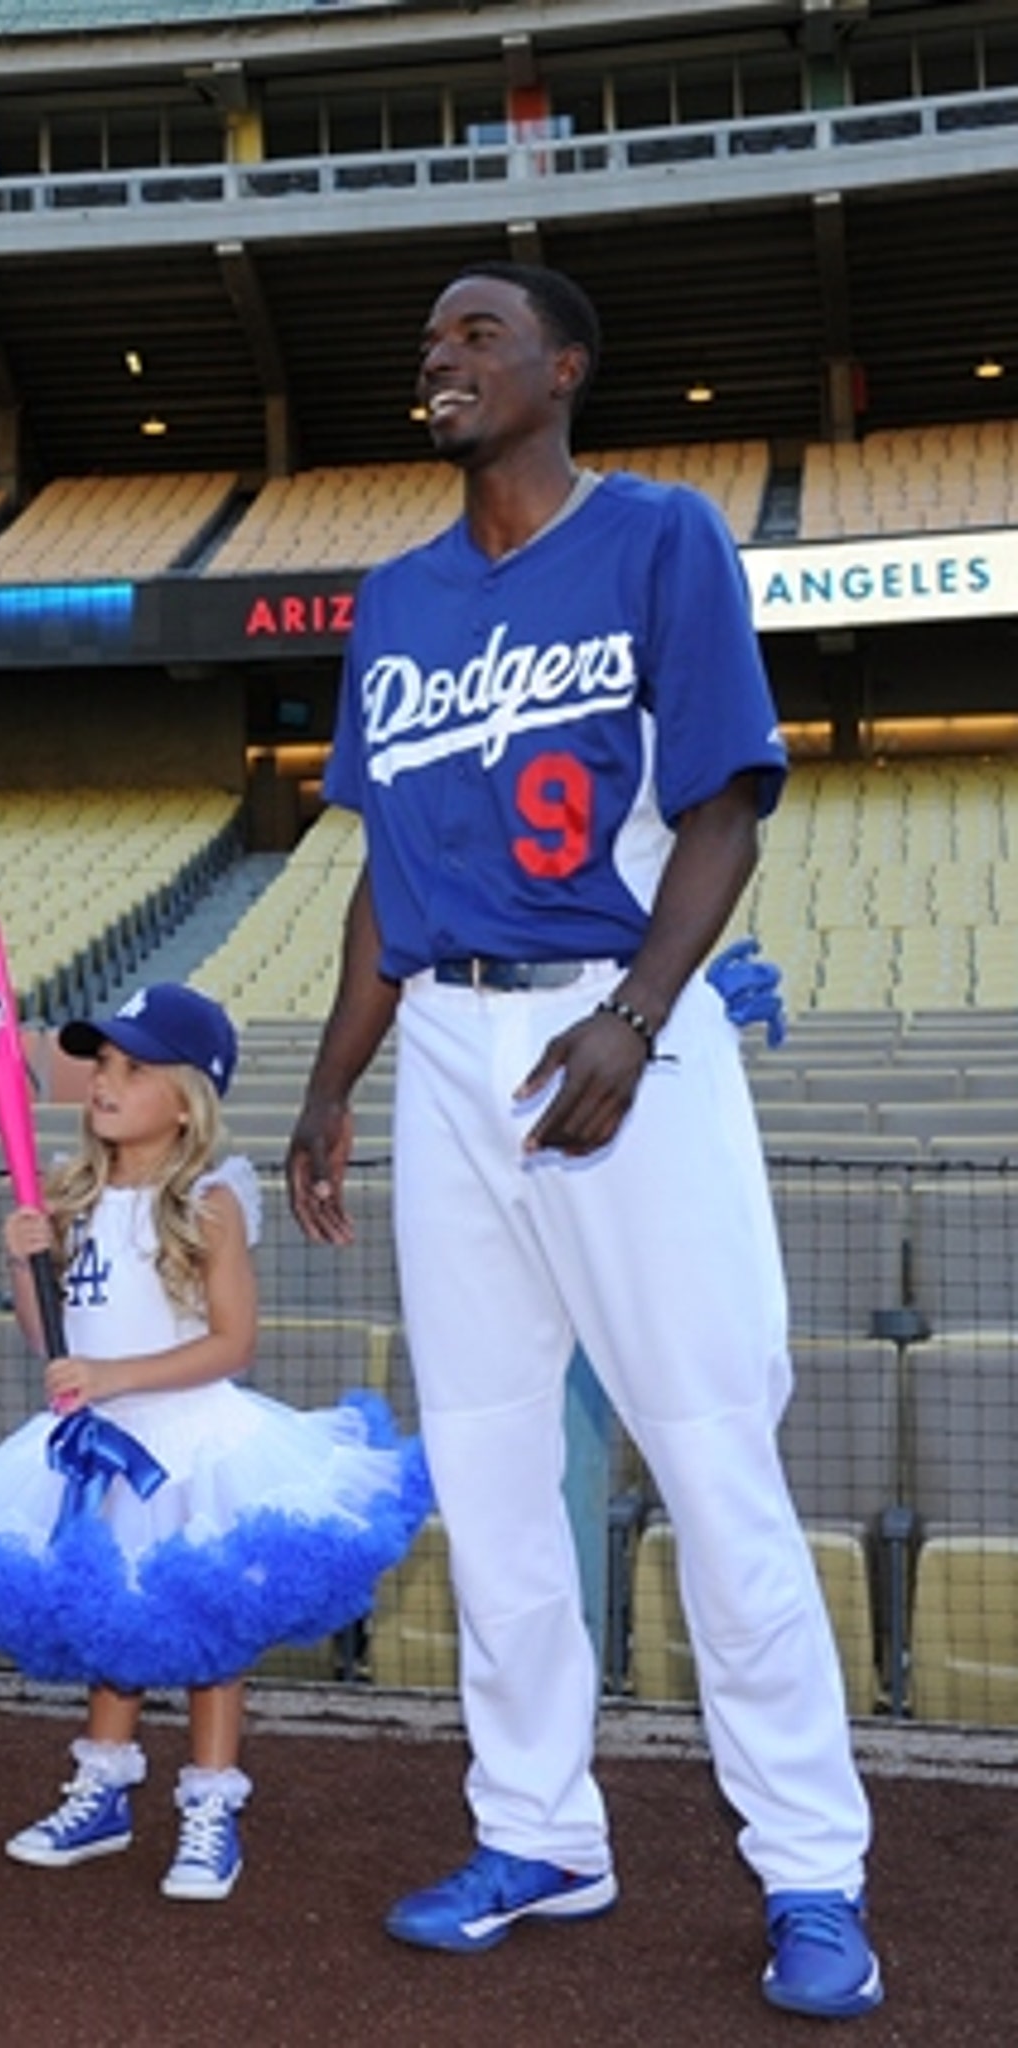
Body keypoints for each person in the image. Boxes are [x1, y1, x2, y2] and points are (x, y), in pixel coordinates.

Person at [286, 261, 881, 2020]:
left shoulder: (656, 537)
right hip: (444, 1050)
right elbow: (380, 879)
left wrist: (631, 1009)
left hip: (611, 1028)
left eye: (477, 334)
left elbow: (719, 806)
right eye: (428, 340)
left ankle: (809, 1867)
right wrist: (330, 1082)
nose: (439, 357)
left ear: (562, 366)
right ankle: (539, 1826)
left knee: (710, 1458)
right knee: (486, 1473)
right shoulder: (390, 599)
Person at [0, 982, 428, 1903]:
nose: (105, 1082)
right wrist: (23, 1257)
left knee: (207, 1619)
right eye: (103, 1065)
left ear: (188, 1095)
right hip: (91, 1437)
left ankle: (210, 1807)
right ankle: (104, 1787)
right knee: (107, 1609)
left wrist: (114, 1378)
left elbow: (233, 1345)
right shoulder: (68, 1191)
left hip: (191, 1439)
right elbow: (50, 1341)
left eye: (134, 1068)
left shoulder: (208, 1201)